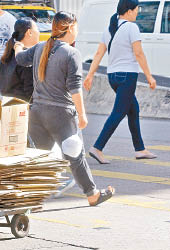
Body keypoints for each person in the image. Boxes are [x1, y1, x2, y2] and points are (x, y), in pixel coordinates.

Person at [15, 11, 115, 206]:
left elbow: (20, 59)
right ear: (70, 28)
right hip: (61, 114)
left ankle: (26, 198)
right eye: (76, 27)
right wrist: (82, 115)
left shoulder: (40, 48)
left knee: (38, 158)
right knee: (75, 154)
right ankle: (92, 194)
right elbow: (75, 87)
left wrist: (17, 47)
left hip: (37, 113)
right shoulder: (71, 53)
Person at [83, 0, 157, 164]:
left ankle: (140, 149)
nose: (138, 13)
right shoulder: (132, 27)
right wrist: (149, 77)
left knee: (133, 109)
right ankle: (97, 147)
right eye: (137, 10)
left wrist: (90, 75)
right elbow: (138, 53)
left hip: (113, 76)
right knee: (119, 112)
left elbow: (98, 54)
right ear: (130, 11)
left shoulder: (110, 29)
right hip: (127, 76)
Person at [0, 17, 39, 101]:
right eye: (37, 29)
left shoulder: (8, 54)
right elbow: (31, 92)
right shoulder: (26, 58)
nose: (39, 32)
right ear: (29, 32)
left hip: (8, 104)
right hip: (23, 109)